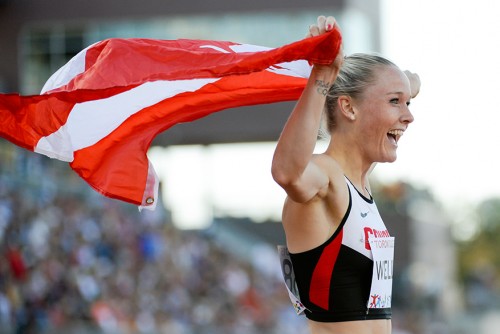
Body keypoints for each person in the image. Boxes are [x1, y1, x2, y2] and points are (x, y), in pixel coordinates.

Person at [272, 15, 421, 334]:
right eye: (395, 102)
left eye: (407, 102)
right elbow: (287, 173)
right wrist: (321, 76)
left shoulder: (359, 184)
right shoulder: (325, 178)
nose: (409, 116)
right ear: (349, 108)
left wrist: (406, 87)